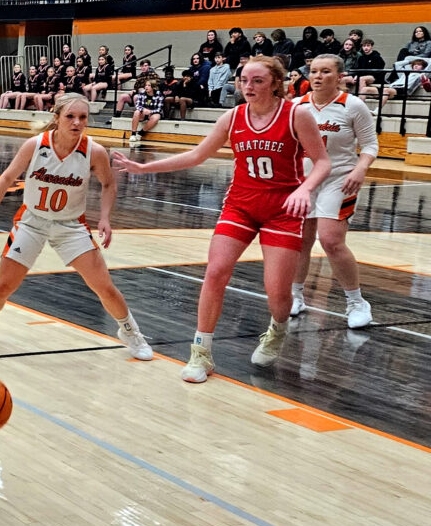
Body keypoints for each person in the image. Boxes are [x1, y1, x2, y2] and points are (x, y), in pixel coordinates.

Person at [113, 56, 331, 382]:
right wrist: (144, 167)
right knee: (215, 272)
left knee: (277, 293)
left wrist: (307, 189)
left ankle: (277, 328)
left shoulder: (296, 115)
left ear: (275, 83)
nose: (248, 86)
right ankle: (201, 353)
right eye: (244, 80)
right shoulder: (232, 117)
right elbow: (196, 155)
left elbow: (323, 162)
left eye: (257, 81)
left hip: (282, 210)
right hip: (240, 205)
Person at [0, 93, 153, 359]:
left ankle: (132, 334)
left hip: (70, 225)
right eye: (70, 116)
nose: (77, 122)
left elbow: (109, 184)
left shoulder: (94, 151)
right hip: (32, 222)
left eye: (82, 117)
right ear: (57, 118)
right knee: (4, 285)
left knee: (104, 286)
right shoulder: (35, 144)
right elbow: (6, 178)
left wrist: (106, 218)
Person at [291, 54, 378, 328]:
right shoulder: (296, 106)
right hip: (304, 182)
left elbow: (370, 145)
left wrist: (360, 169)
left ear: (339, 77)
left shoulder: (353, 106)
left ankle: (356, 302)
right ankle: (295, 296)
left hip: (339, 179)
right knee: (301, 241)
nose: (317, 76)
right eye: (314, 71)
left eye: (325, 71)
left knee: (330, 240)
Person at [362, 57, 429, 106]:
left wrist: (423, 60)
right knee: (365, 89)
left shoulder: (422, 75)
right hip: (392, 88)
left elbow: (430, 63)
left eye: (419, 65)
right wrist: (410, 61)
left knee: (386, 90)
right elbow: (397, 64)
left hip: (403, 90)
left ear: (423, 67)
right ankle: (358, 110)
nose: (416, 66)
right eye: (414, 64)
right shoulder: (404, 73)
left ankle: (377, 110)